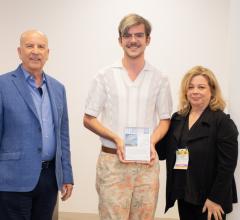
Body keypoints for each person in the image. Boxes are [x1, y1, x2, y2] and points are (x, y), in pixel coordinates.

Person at [83, 13, 172, 220]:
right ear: (120, 40)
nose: (133, 40)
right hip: (113, 162)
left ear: (148, 40)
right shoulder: (104, 75)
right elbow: (88, 118)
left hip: (147, 164)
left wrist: (151, 142)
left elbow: (165, 119)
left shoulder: (160, 78)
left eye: (139, 35)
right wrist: (116, 139)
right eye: (127, 35)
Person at [0, 30, 74, 220]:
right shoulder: (3, 85)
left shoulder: (58, 88)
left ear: (48, 53)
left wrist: (66, 175)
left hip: (49, 179)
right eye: (29, 45)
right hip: (12, 180)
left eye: (41, 47)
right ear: (19, 51)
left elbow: (63, 135)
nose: (35, 51)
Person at [156, 66, 238, 220]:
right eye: (191, 87)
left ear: (212, 91)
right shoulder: (177, 118)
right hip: (184, 193)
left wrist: (215, 198)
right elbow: (162, 152)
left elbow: (227, 166)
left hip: (210, 200)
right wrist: (159, 124)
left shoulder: (222, 122)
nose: (195, 91)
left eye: (201, 87)